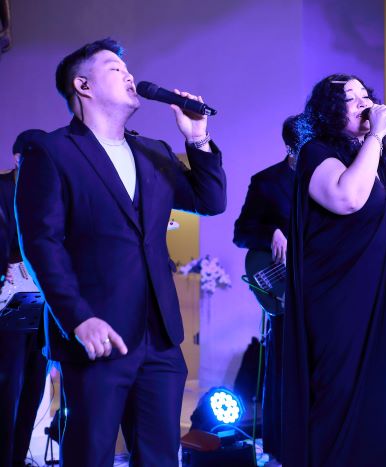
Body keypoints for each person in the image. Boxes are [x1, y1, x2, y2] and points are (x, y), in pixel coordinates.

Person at [14, 38, 227, 467]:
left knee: (160, 456)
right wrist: (78, 318)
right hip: (98, 332)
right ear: (83, 86)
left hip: (160, 336)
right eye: (115, 69)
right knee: (90, 453)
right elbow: (41, 243)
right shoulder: (51, 151)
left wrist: (198, 139)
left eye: (128, 70)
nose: (130, 76)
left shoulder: (153, 151)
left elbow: (210, 201)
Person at [282, 74, 386, 467]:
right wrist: (375, 136)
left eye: (365, 95)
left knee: (381, 394)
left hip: (382, 293)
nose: (362, 102)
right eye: (349, 97)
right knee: (339, 391)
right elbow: (348, 198)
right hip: (338, 296)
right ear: (329, 111)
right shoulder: (317, 153)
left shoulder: (384, 161)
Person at [233, 114, 311, 465]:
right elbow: (241, 233)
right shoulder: (267, 181)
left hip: (321, 287)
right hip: (282, 289)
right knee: (282, 371)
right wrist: (272, 233)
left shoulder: (329, 177)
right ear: (290, 146)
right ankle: (278, 450)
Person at [0, 129, 48, 467]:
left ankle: (17, 458)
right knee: (7, 390)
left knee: (34, 385)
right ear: (18, 159)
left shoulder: (50, 195)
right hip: (7, 304)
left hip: (42, 305)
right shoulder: (2, 189)